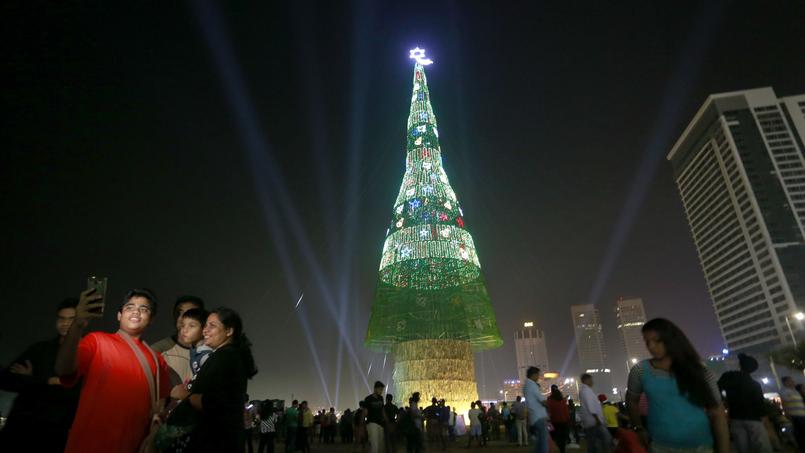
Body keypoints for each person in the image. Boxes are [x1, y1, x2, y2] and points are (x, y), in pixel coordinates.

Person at [55, 288, 171, 453]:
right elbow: (63, 369)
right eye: (129, 307)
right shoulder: (97, 341)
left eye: (144, 309)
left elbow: (160, 407)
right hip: (87, 445)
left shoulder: (157, 360)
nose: (136, 311)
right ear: (119, 315)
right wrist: (78, 324)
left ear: (151, 319)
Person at [626, 318, 729, 453]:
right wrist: (638, 428)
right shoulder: (640, 370)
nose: (650, 346)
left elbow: (717, 412)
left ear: (671, 339)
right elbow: (631, 401)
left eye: (657, 341)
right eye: (647, 342)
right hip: (659, 447)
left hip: (700, 447)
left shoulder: (699, 371)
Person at [170, 307, 259, 452]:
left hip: (216, 442)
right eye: (205, 325)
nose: (205, 330)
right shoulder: (228, 355)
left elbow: (213, 403)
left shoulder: (224, 357)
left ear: (229, 331)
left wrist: (184, 395)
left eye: (212, 326)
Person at [0, 298, 81, 452]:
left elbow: (75, 393)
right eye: (61, 318)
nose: (65, 323)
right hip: (19, 428)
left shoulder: (87, 354)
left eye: (71, 319)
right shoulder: (39, 350)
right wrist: (48, 381)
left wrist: (29, 380)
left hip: (54, 435)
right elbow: (5, 379)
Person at [717, 353, 772, 453]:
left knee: (742, 449)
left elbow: (717, 390)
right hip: (754, 419)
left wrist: (724, 401)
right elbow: (760, 406)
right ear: (753, 369)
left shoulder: (729, 376)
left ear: (740, 365)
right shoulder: (755, 385)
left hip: (735, 418)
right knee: (763, 448)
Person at [153, 296, 205, 385]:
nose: (182, 318)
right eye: (179, 313)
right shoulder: (158, 350)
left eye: (190, 313)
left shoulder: (213, 352)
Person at [579, 373, 610, 453]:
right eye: (591, 380)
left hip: (592, 421)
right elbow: (591, 406)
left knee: (593, 443)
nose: (592, 382)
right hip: (594, 421)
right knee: (605, 439)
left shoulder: (585, 391)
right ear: (586, 380)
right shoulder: (586, 391)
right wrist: (598, 419)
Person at [524, 366, 549, 453]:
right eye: (538, 375)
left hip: (534, 417)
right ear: (533, 375)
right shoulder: (532, 385)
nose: (539, 377)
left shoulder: (526, 385)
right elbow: (542, 401)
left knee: (540, 442)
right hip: (539, 417)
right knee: (543, 443)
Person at [780, 376, 805, 450]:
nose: (793, 381)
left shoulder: (795, 391)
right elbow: (784, 403)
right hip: (795, 415)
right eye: (791, 380)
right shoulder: (785, 392)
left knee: (802, 433)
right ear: (786, 382)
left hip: (802, 415)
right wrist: (787, 414)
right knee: (801, 433)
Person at [364, 381, 387, 453]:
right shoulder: (368, 399)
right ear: (375, 389)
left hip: (381, 424)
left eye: (382, 390)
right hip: (372, 423)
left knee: (380, 447)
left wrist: (387, 420)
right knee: (375, 446)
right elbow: (365, 412)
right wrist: (361, 425)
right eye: (380, 389)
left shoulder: (381, 398)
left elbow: (382, 410)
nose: (381, 391)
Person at [547, 385, 570, 453]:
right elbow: (566, 412)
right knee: (562, 439)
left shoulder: (550, 401)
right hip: (564, 422)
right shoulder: (563, 401)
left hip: (553, 423)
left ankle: (552, 449)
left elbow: (549, 413)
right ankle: (562, 450)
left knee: (553, 437)